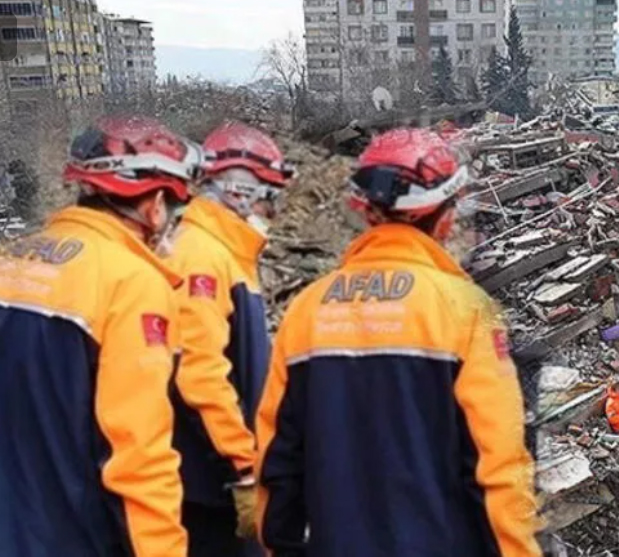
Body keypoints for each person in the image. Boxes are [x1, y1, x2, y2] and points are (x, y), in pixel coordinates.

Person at [255, 128, 540, 557]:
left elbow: (276, 464)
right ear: (443, 216)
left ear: (367, 212)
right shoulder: (465, 311)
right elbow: (498, 467)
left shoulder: (306, 312)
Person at [0, 116, 200, 556]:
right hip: (69, 537)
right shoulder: (131, 284)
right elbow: (139, 457)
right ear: (155, 205)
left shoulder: (10, 261)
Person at [166, 121, 293, 557]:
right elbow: (199, 372)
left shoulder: (223, 250)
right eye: (269, 194)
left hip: (211, 474)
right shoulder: (201, 253)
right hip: (206, 483)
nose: (272, 208)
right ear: (240, 190)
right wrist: (242, 464)